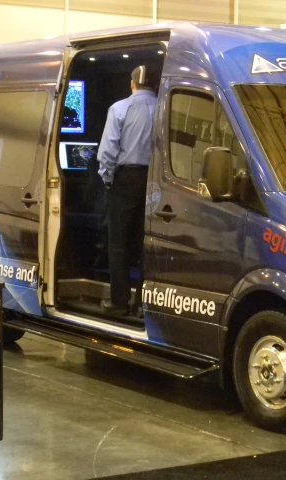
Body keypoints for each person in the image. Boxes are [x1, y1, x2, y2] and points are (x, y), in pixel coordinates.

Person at [98, 65, 157, 316]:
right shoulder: (165, 108)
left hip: (125, 179)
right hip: (155, 180)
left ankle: (119, 302)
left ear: (131, 84)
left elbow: (108, 150)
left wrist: (108, 179)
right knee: (147, 242)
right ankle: (145, 303)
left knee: (118, 243)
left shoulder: (119, 108)